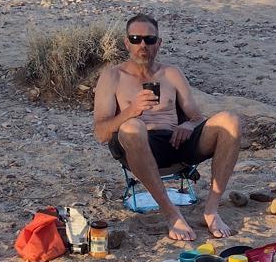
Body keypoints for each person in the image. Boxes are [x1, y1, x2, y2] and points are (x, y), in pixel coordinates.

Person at [93, 14, 242, 242]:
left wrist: (188, 125)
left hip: (177, 142)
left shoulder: (171, 73)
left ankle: (211, 209)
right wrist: (131, 110)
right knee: (133, 127)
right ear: (126, 43)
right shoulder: (112, 76)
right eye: (136, 39)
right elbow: (101, 133)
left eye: (149, 40)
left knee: (230, 119)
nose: (142, 45)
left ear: (158, 43)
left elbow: (196, 116)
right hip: (138, 146)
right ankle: (171, 213)